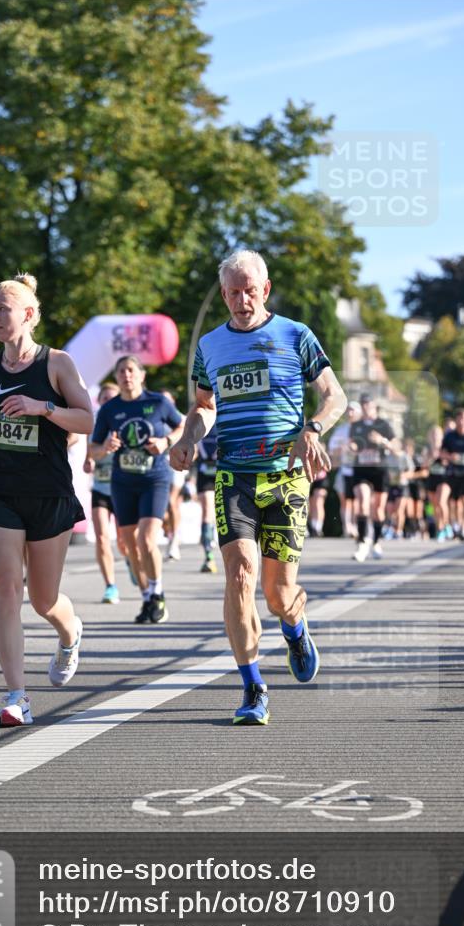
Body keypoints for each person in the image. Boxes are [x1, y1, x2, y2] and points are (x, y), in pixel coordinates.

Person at [170, 249, 347, 726]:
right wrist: (187, 437)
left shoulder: (296, 335)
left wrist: (313, 428)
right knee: (240, 573)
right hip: (234, 474)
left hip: (286, 476)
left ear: (265, 290)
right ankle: (253, 686)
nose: (242, 300)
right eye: (233, 293)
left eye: (250, 291)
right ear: (224, 294)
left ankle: (295, 625)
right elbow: (204, 406)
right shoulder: (210, 345)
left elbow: (335, 396)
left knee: (278, 594)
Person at [0, 273, 92, 727]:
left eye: (4, 310)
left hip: (48, 491)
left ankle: (69, 633)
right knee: (5, 587)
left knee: (42, 600)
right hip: (0, 488)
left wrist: (42, 408)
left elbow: (87, 420)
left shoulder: (57, 364)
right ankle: (17, 696)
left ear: (28, 314)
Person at [90, 356, 184, 624]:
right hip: (122, 483)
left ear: (142, 375)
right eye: (121, 371)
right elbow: (93, 450)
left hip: (154, 479)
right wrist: (105, 448)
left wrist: (166, 441)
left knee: (146, 539)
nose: (126, 375)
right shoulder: (109, 409)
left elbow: (182, 426)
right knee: (130, 546)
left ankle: (157, 593)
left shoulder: (158, 402)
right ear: (116, 377)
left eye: (131, 370)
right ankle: (146, 598)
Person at [86, 381, 126, 604]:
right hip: (101, 488)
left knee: (124, 541)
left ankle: (131, 560)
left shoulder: (127, 421)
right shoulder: (94, 424)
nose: (107, 403)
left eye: (112, 398)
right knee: (102, 538)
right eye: (104, 399)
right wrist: (93, 458)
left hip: (123, 488)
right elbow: (90, 454)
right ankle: (110, 586)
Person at [350, 394, 395, 561]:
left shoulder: (383, 424)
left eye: (368, 405)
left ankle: (376, 542)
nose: (365, 408)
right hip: (361, 469)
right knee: (362, 501)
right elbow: (353, 443)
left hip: (379, 470)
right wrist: (352, 447)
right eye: (363, 405)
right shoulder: (356, 425)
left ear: (374, 406)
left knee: (378, 509)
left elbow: (396, 446)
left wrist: (382, 440)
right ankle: (362, 543)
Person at [437, 408, 464, 542]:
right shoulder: (450, 436)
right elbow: (442, 453)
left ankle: (463, 529)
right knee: (445, 500)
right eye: (459, 419)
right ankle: (451, 526)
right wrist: (450, 457)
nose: (461, 422)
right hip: (451, 472)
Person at [159, 388, 186, 562]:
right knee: (164, 508)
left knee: (171, 501)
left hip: (176, 465)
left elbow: (193, 445)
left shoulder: (181, 419)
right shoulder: (155, 417)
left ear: (173, 401)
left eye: (167, 400)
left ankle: (174, 540)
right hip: (158, 465)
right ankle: (169, 532)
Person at [328, 400, 361, 538]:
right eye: (348, 410)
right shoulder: (341, 430)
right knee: (345, 500)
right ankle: (347, 527)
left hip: (360, 471)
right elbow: (332, 449)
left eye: (353, 410)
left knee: (358, 500)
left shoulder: (364, 429)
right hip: (345, 470)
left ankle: (356, 525)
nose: (350, 413)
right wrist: (341, 450)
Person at [195, 426, 218, 572]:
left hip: (224, 468)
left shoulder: (225, 414)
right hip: (204, 472)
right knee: (207, 511)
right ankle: (209, 556)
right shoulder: (199, 416)